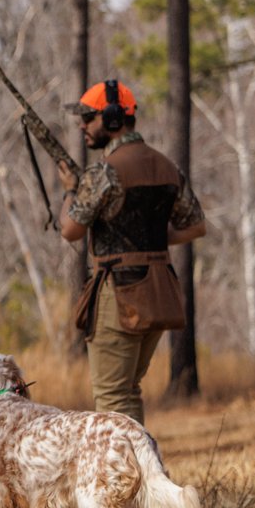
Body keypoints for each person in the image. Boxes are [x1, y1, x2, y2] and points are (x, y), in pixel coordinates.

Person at [56, 80, 205, 423]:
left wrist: (69, 191)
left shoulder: (105, 170)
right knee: (128, 390)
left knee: (112, 396)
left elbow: (70, 230)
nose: (82, 126)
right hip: (160, 290)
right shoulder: (167, 166)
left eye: (89, 118)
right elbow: (196, 225)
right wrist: (150, 241)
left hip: (118, 294)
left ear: (112, 118)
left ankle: (129, 475)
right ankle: (139, 470)